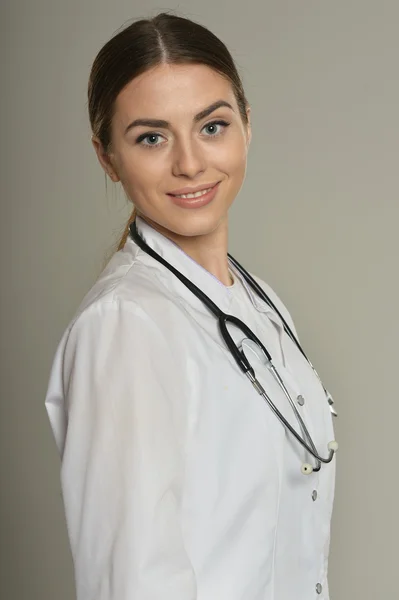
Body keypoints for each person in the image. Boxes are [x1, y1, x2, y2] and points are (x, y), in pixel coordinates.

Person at [45, 12, 336, 600]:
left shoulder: (256, 300)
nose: (190, 163)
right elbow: (130, 582)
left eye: (212, 126)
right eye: (151, 137)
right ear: (107, 157)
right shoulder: (125, 326)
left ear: (247, 126)